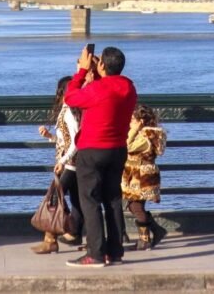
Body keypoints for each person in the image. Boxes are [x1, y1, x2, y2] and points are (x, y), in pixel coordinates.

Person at [63, 46, 136, 268]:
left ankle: (95, 253)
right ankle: (115, 251)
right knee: (113, 199)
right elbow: (105, 93)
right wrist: (96, 73)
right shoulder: (129, 87)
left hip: (92, 150)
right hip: (118, 149)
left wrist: (82, 71)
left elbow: (70, 97)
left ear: (102, 64)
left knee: (90, 200)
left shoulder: (97, 89)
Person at [32, 76, 82, 254]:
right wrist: (50, 137)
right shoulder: (71, 110)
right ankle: (75, 233)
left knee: (54, 197)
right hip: (72, 162)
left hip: (69, 164)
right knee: (77, 200)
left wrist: (62, 161)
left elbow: (76, 141)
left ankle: (50, 239)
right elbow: (67, 140)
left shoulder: (68, 111)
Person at [123, 104, 168, 250]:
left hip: (141, 175)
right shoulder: (147, 134)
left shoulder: (146, 136)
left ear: (140, 121)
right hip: (140, 174)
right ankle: (155, 231)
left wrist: (133, 130)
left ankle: (145, 239)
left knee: (135, 206)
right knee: (135, 206)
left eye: (132, 119)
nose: (129, 122)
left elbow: (127, 146)